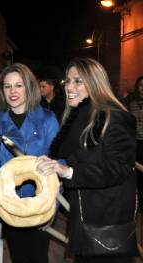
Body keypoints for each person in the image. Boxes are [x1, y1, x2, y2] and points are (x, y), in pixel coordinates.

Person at [36, 58, 137, 262]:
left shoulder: (114, 116)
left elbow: (120, 169)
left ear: (95, 83)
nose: (69, 87)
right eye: (68, 81)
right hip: (84, 216)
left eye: (78, 81)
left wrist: (68, 172)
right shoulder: (81, 116)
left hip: (107, 223)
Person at [0, 63, 59, 263]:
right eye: (7, 86)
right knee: (18, 255)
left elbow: (58, 164)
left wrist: (53, 207)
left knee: (38, 256)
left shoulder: (48, 119)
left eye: (18, 85)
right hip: (9, 201)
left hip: (39, 201)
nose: (13, 91)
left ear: (29, 87)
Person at [124, 75, 143, 210]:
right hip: (135, 142)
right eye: (141, 85)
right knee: (135, 174)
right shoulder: (131, 102)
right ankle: (137, 203)